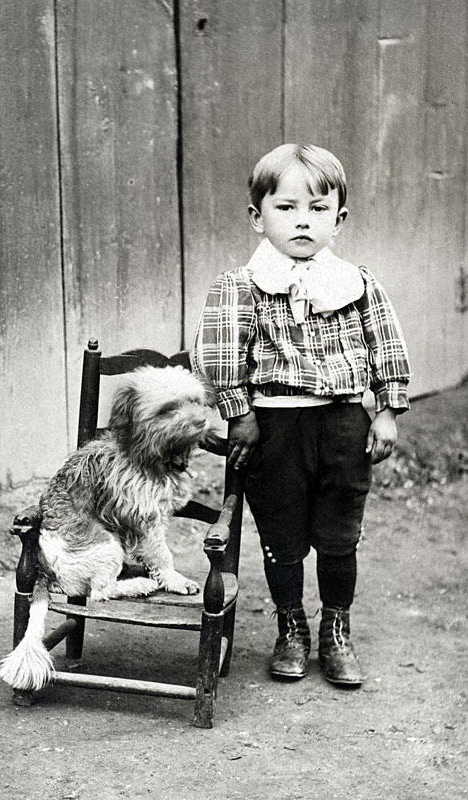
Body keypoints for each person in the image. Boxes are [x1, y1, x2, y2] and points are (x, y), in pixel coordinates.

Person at [191, 143, 410, 687]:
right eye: (285, 208)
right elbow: (220, 353)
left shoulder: (356, 282)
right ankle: (291, 626)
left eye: (317, 209)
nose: (302, 221)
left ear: (338, 219)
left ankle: (336, 628)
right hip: (275, 426)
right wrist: (238, 412)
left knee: (340, 529)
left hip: (341, 424)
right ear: (257, 217)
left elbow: (385, 343)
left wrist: (386, 410)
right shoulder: (241, 284)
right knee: (282, 532)